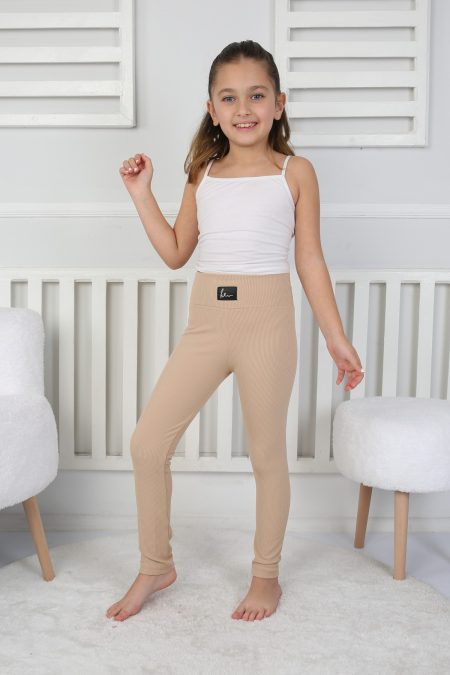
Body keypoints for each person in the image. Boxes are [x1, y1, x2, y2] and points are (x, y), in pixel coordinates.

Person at [106, 39, 364, 623]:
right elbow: (177, 252)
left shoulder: (295, 172)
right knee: (148, 443)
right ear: (211, 109)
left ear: (278, 103)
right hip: (208, 323)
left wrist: (335, 336)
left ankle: (266, 576)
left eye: (256, 95)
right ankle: (155, 565)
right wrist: (142, 196)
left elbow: (310, 259)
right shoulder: (202, 174)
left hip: (267, 324)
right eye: (229, 98)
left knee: (266, 455)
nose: (243, 108)